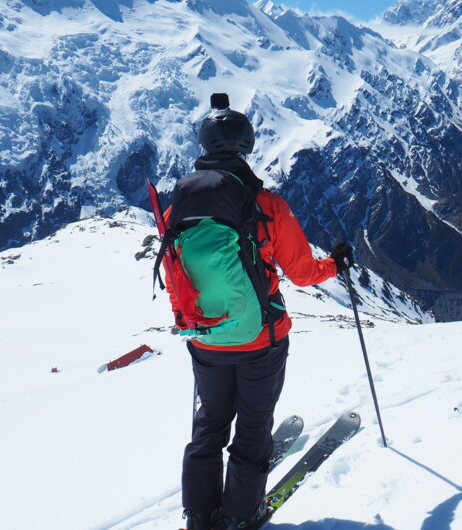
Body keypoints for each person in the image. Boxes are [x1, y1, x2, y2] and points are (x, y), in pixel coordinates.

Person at [172, 97, 354, 530]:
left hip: (204, 338)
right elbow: (304, 272)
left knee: (209, 427)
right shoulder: (266, 206)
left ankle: (198, 516)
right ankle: (239, 515)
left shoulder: (175, 206)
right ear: (247, 146)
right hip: (262, 342)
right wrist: (337, 264)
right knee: (252, 429)